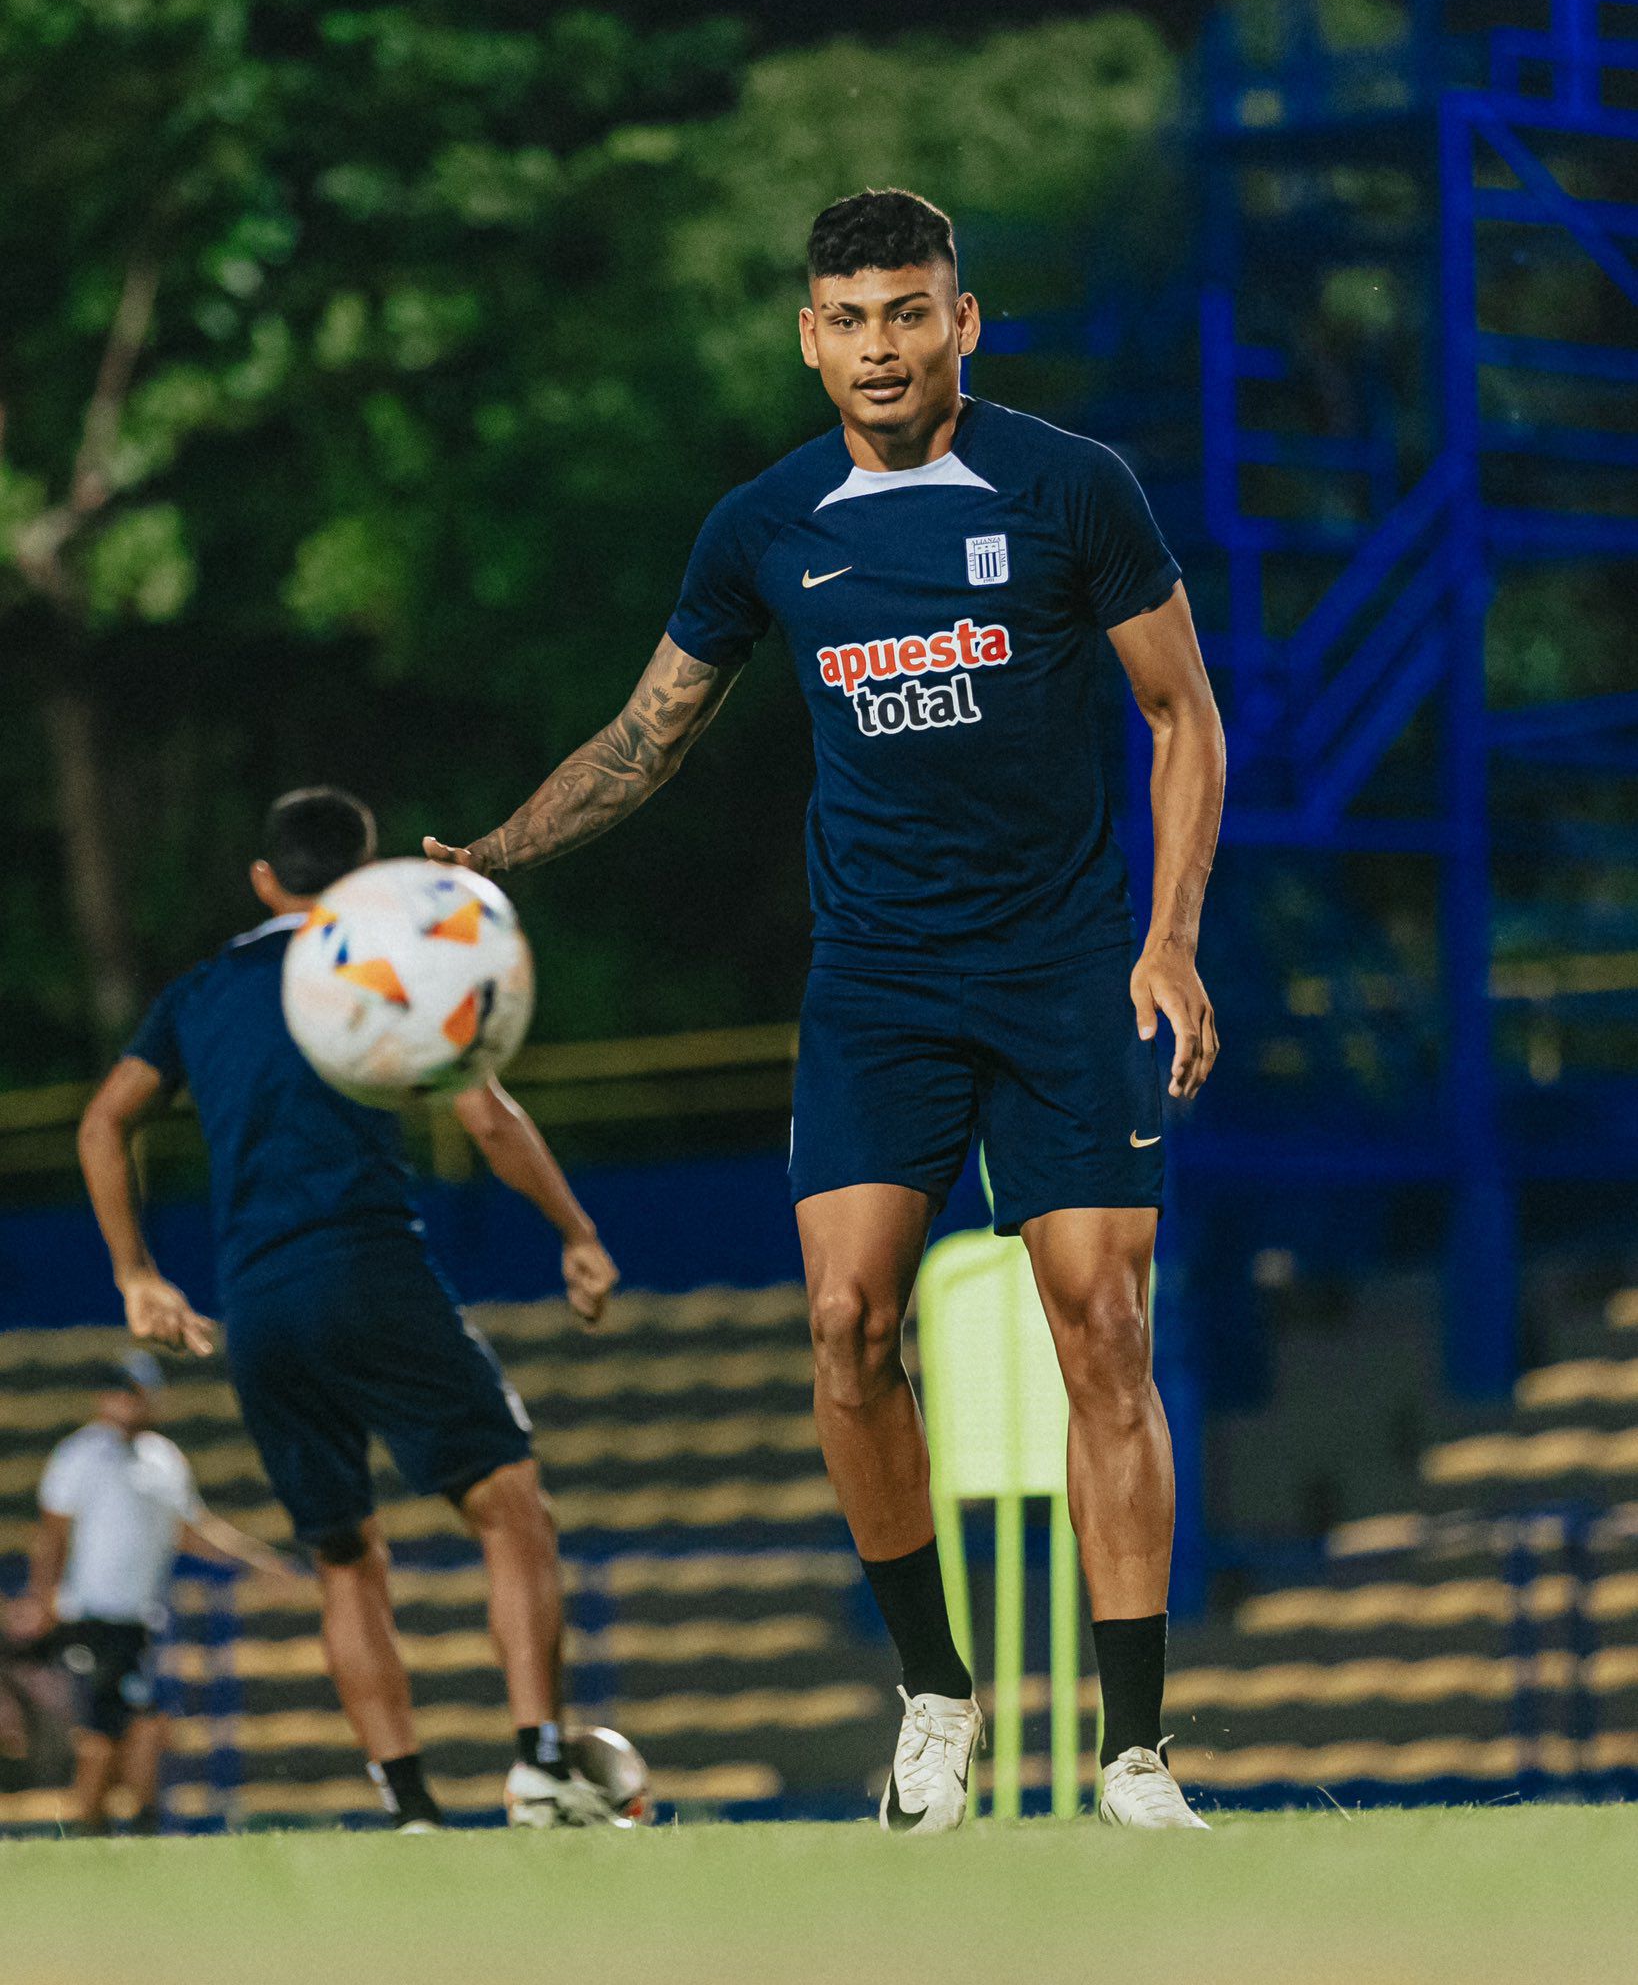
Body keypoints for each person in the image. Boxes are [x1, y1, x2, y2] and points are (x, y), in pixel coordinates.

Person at [427, 189, 1226, 1833]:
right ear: (809, 334)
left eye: (908, 311)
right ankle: (936, 1690)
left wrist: (1168, 939)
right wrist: (493, 857)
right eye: (848, 317)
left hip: (1063, 968)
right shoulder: (762, 524)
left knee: (1103, 1329)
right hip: (876, 985)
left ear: (961, 321)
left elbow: (1182, 718)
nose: (879, 344)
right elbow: (647, 733)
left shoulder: (1069, 487)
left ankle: (1133, 1748)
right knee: (845, 1325)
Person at [76, 788, 622, 1832]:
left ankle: (411, 1805)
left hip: (257, 1306)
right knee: (512, 1507)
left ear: (263, 878)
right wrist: (575, 1229)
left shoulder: (199, 992)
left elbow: (105, 1123)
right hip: (368, 1266)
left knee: (343, 1554)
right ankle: (540, 1764)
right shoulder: (387, 955)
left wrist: (136, 1274)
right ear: (370, 875)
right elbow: (485, 1112)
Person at [5, 1351, 292, 1835]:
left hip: (140, 1617)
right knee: (104, 1733)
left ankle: (136, 1826)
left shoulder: (163, 1458)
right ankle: (90, 1832)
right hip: (92, 1615)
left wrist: (252, 1559)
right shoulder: (80, 1455)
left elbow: (188, 1529)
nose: (125, 1403)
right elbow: (52, 1535)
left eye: (133, 1392)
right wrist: (41, 1598)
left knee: (143, 1727)